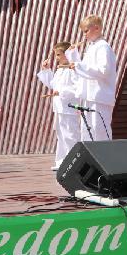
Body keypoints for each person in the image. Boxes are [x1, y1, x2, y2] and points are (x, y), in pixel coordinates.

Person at [63, 14, 117, 141]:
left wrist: (78, 66)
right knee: (88, 132)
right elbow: (86, 70)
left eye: (86, 31)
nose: (84, 35)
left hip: (99, 97)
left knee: (99, 132)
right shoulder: (92, 47)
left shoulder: (103, 46)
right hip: (90, 96)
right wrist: (74, 58)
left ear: (97, 28)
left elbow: (103, 70)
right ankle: (91, 160)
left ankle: (104, 160)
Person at [37, 42, 82, 170]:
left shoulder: (73, 70)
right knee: (61, 135)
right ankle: (62, 161)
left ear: (66, 55)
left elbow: (77, 89)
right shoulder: (60, 70)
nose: (56, 58)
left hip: (68, 107)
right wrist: (46, 70)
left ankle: (74, 162)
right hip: (59, 107)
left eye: (58, 55)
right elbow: (52, 84)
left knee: (70, 135)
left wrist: (62, 92)